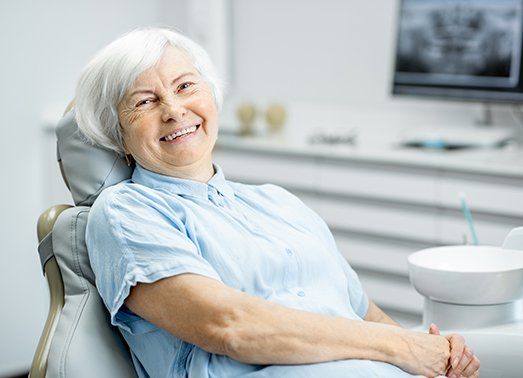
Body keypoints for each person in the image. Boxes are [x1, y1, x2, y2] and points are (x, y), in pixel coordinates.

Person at [77, 27, 480, 378]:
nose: (174, 109)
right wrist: (400, 348)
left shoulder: (278, 203)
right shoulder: (126, 212)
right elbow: (231, 327)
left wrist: (436, 358)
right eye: (145, 101)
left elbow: (365, 314)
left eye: (185, 86)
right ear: (118, 136)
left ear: (212, 99)